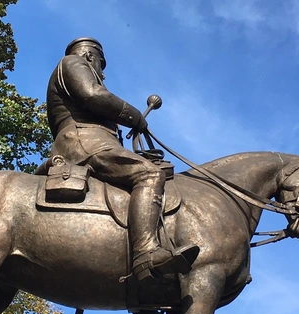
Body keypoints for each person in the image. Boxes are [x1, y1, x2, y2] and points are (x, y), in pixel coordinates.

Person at [46, 37, 197, 281]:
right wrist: (134, 115)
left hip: (91, 141)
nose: (102, 74)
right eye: (101, 66)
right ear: (90, 56)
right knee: (149, 174)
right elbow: (93, 94)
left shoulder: (72, 66)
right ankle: (146, 253)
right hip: (85, 142)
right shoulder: (73, 62)